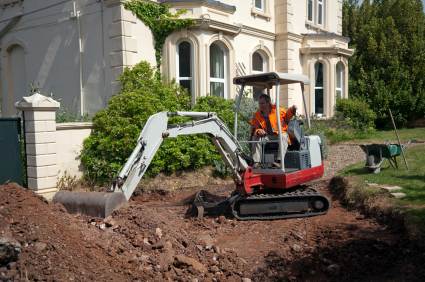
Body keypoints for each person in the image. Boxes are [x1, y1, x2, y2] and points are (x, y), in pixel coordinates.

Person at [250, 94, 297, 167]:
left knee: (283, 136)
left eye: (262, 103)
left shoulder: (277, 110)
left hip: (279, 134)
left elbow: (287, 115)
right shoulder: (257, 115)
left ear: (268, 103)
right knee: (255, 138)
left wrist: (292, 109)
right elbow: (255, 128)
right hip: (267, 136)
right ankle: (256, 162)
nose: (260, 105)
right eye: (259, 103)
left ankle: (279, 161)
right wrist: (258, 131)